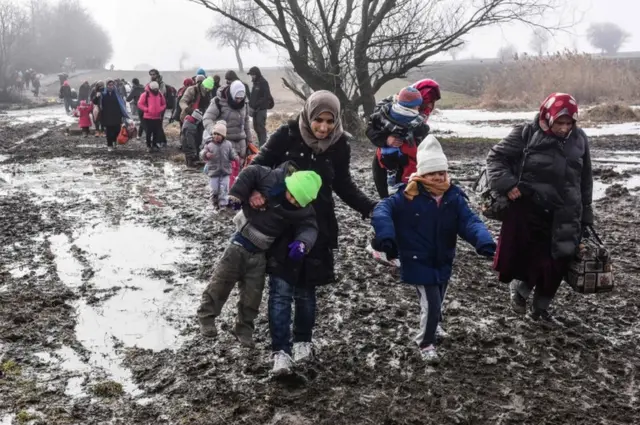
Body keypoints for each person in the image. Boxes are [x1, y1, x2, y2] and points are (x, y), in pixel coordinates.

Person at [250, 90, 377, 375]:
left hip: (317, 226)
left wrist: (370, 208)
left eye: (329, 121)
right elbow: (258, 165)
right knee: (281, 291)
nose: (323, 127)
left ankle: (303, 343)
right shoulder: (286, 134)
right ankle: (280, 352)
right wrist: (255, 191)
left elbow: (343, 184)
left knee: (306, 292)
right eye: (318, 120)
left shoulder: (340, 144)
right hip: (282, 223)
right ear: (308, 115)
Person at [372, 135, 495, 364]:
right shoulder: (407, 195)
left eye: (441, 172)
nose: (437, 177)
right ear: (421, 174)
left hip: (443, 257)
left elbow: (469, 222)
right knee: (431, 301)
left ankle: (435, 325)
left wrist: (484, 241)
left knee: (439, 296)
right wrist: (386, 235)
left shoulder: (453, 196)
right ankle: (426, 342)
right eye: (432, 173)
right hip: (416, 258)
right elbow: (382, 211)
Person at [486, 93, 594, 323]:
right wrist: (507, 184)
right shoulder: (526, 133)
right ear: (548, 115)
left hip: (566, 212)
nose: (564, 128)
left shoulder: (580, 139)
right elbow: (496, 158)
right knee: (536, 260)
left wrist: (586, 213)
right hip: (531, 210)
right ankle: (521, 292)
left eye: (569, 123)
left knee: (558, 262)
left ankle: (541, 310)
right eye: (560, 123)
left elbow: (585, 179)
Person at [196, 164, 322, 349]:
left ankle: (244, 329)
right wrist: (237, 195)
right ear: (289, 185)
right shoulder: (271, 181)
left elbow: (310, 227)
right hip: (238, 245)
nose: (293, 202)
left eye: (299, 202)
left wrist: (303, 243)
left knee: (252, 295)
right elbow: (250, 172)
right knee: (221, 283)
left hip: (260, 255)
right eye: (293, 196)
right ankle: (206, 317)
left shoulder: (303, 211)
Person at [370, 79, 441, 198]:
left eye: (432, 101)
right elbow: (371, 130)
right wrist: (387, 140)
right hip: (387, 155)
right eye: (427, 101)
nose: (429, 105)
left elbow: (423, 132)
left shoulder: (420, 114)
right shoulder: (388, 110)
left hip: (413, 158)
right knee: (387, 191)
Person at [203, 80, 253, 186]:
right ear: (231, 94)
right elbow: (207, 118)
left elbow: (246, 121)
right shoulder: (218, 102)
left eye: (241, 98)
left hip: (241, 143)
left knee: (239, 172)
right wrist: (215, 132)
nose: (239, 100)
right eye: (236, 98)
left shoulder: (245, 103)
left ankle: (234, 195)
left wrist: (250, 140)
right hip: (225, 143)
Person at [199, 121, 239, 207]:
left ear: (223, 136)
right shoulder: (209, 144)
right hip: (214, 170)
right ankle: (214, 200)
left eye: (219, 134)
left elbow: (232, 153)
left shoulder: (228, 144)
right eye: (215, 134)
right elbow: (202, 153)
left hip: (225, 170)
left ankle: (223, 203)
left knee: (225, 188)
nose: (216, 136)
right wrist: (205, 154)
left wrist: (235, 157)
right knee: (214, 189)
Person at [95, 79, 129, 151]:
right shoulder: (102, 94)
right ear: (106, 85)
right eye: (109, 85)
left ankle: (114, 141)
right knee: (109, 131)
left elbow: (121, 104)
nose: (111, 86)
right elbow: (95, 102)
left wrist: (123, 114)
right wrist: (97, 96)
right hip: (107, 115)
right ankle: (109, 145)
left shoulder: (117, 94)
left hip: (116, 115)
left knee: (117, 130)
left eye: (112, 85)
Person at [248, 66, 273, 147]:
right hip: (254, 110)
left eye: (252, 75)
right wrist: (251, 106)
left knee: (261, 127)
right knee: (255, 127)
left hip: (261, 110)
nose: (251, 76)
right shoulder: (255, 83)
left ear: (257, 74)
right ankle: (260, 144)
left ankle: (263, 146)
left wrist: (257, 105)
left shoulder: (263, 82)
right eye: (251, 75)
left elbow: (266, 96)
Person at [138, 81, 167, 152]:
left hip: (157, 116)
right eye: (154, 89)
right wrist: (146, 109)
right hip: (148, 117)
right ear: (151, 88)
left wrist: (160, 109)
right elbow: (140, 104)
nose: (156, 91)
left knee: (156, 132)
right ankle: (148, 146)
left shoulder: (160, 95)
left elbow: (164, 104)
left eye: (157, 89)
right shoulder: (145, 94)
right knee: (148, 132)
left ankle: (154, 145)